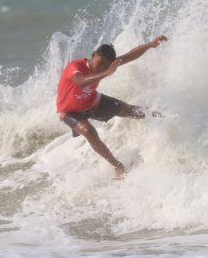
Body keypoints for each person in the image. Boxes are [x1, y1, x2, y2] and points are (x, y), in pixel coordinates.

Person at [56, 36, 168, 179]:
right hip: (69, 111)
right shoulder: (75, 67)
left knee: (130, 110)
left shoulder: (106, 66)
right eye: (99, 63)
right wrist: (106, 72)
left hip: (92, 101)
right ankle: (118, 166)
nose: (101, 67)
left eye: (105, 65)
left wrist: (150, 45)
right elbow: (81, 82)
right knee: (88, 130)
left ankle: (163, 116)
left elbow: (128, 56)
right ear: (93, 55)